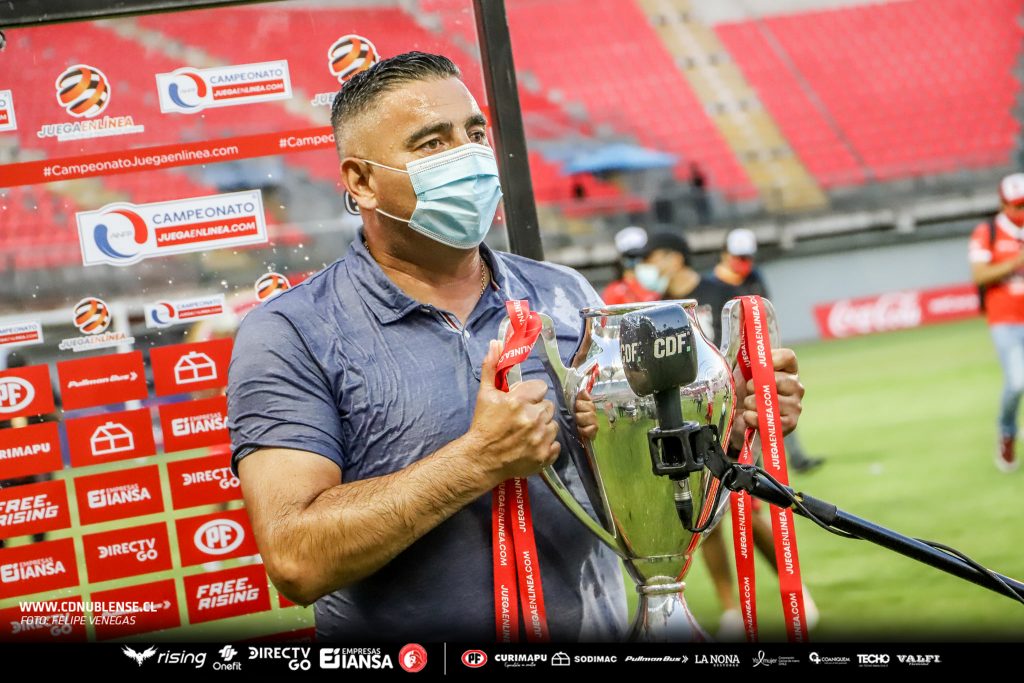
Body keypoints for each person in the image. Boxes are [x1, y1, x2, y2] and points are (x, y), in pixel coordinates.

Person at [226, 51, 806, 642]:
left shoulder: (566, 295)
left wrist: (719, 418)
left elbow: (633, 482)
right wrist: (476, 461)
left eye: (475, 133)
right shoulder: (292, 332)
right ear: (361, 181)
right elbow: (296, 558)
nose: (469, 156)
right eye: (432, 143)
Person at [969, 172, 1024, 473]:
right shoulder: (987, 231)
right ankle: (1007, 432)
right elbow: (979, 275)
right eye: (1018, 206)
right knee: (1017, 382)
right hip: (1006, 319)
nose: (1022, 211)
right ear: (1003, 205)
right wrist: (1015, 262)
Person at [600, 226, 661, 305]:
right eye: (632, 257)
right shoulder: (614, 291)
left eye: (642, 256)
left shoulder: (657, 284)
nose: (637, 261)